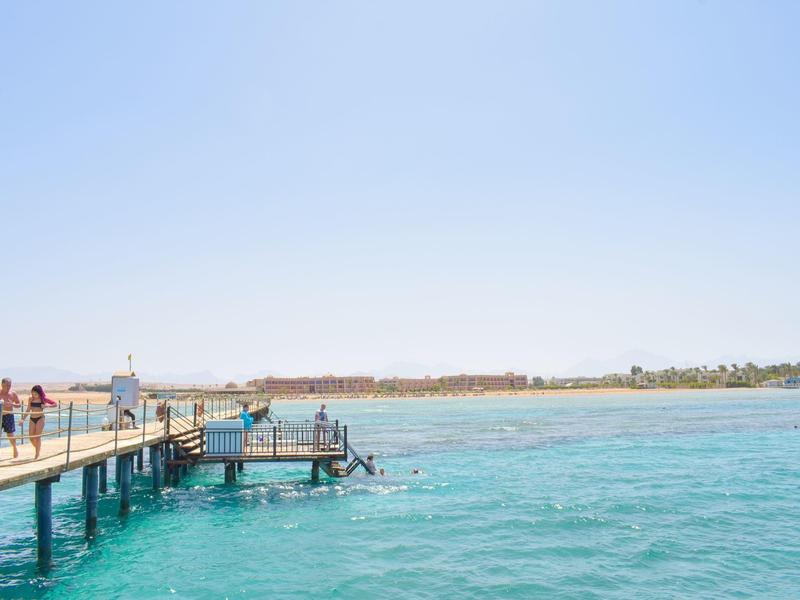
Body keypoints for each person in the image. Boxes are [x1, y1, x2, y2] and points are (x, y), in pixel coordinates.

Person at [20, 385, 56, 460]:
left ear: (39, 393)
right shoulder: (30, 399)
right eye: (32, 393)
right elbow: (28, 410)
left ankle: (37, 454)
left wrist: (47, 406)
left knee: (37, 437)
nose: (34, 395)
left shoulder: (43, 399)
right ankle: (38, 448)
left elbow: (55, 404)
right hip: (32, 419)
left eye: (35, 394)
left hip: (40, 418)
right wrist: (22, 419)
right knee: (31, 437)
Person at [1, 378, 21, 459]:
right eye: (6, 385)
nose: (8, 387)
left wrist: (12, 405)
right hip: (0, 415)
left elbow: (19, 404)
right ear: (2, 384)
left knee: (10, 434)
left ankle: (15, 449)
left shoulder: (13, 393)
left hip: (9, 415)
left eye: (9, 385)